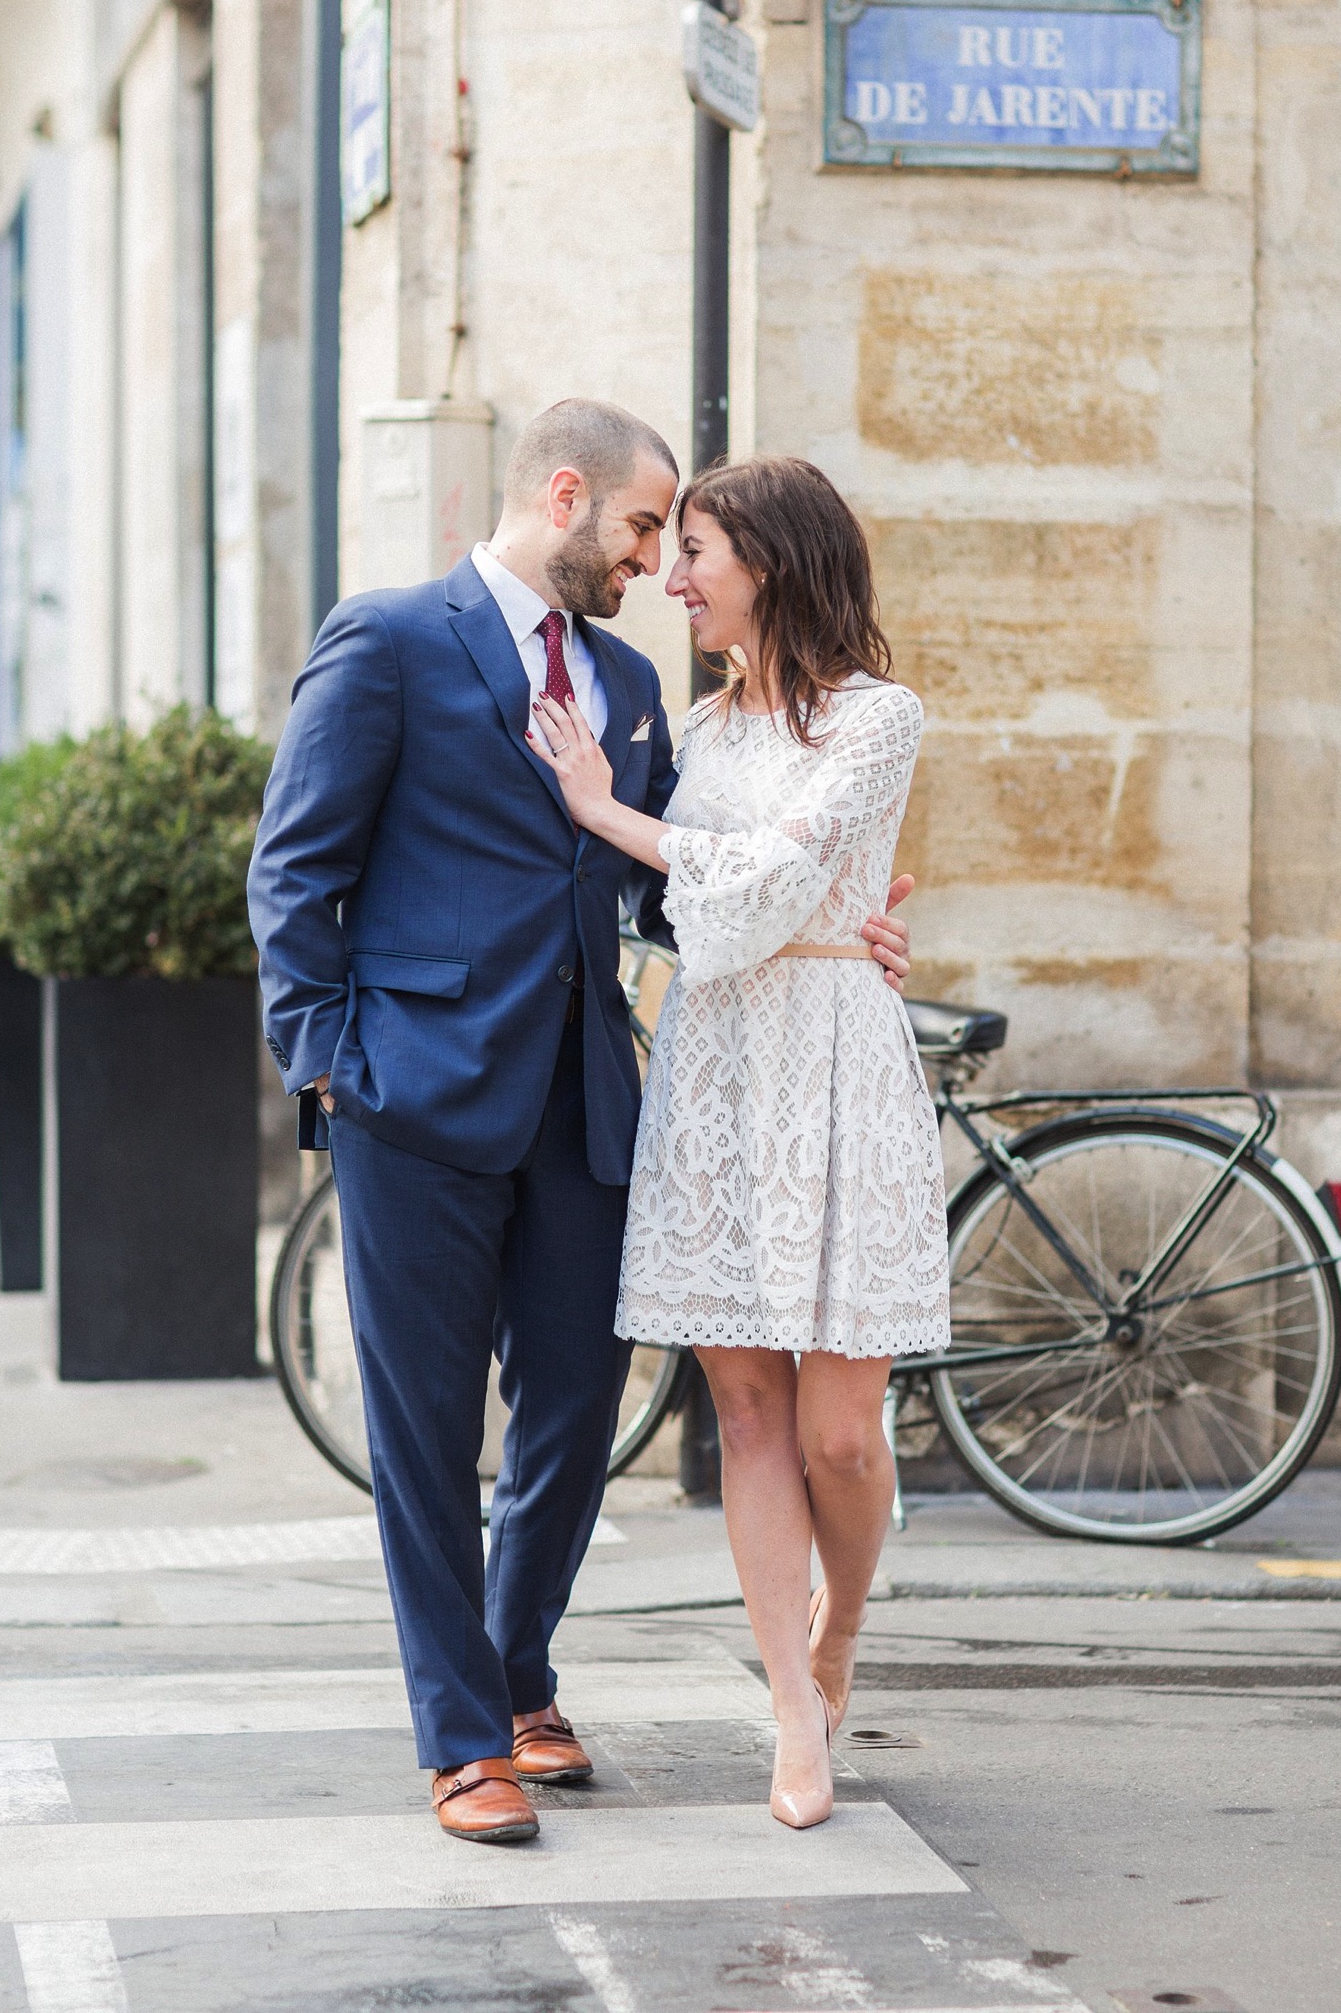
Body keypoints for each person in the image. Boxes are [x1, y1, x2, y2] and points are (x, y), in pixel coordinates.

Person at [247, 402, 914, 1846]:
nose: (649, 567)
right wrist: (326, 1065)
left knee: (574, 1398)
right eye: (635, 531)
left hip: (593, 1101)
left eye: (674, 544)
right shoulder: (391, 639)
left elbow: (689, 882)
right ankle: (461, 1737)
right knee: (425, 1427)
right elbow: (293, 870)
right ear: (565, 495)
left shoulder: (623, 684)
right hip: (411, 1093)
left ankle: (522, 1673)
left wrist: (844, 933)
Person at [529, 452, 948, 1833]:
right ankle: (790, 1709)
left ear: (768, 559)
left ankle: (840, 1633)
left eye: (696, 549)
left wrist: (608, 812)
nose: (674, 577)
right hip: (715, 1073)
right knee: (748, 1413)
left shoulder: (879, 719)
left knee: (840, 1433)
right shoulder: (692, 735)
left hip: (835, 1069)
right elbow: (661, 916)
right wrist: (632, 844)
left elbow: (770, 882)